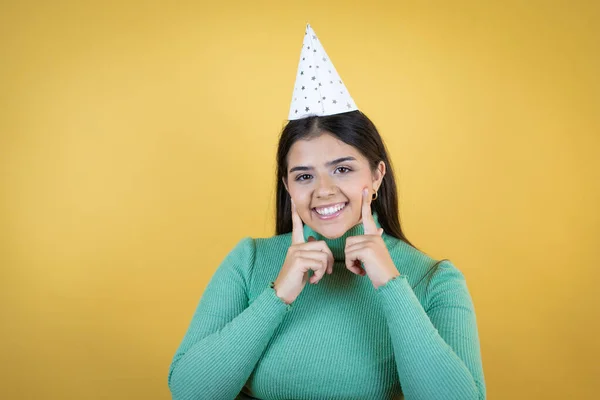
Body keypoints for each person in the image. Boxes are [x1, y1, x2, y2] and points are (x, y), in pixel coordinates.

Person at [168, 24, 486, 400]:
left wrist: (390, 283)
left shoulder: (434, 280)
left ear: (377, 173)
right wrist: (278, 295)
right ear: (288, 187)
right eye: (304, 176)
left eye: (343, 169)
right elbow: (188, 392)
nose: (323, 191)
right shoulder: (250, 261)